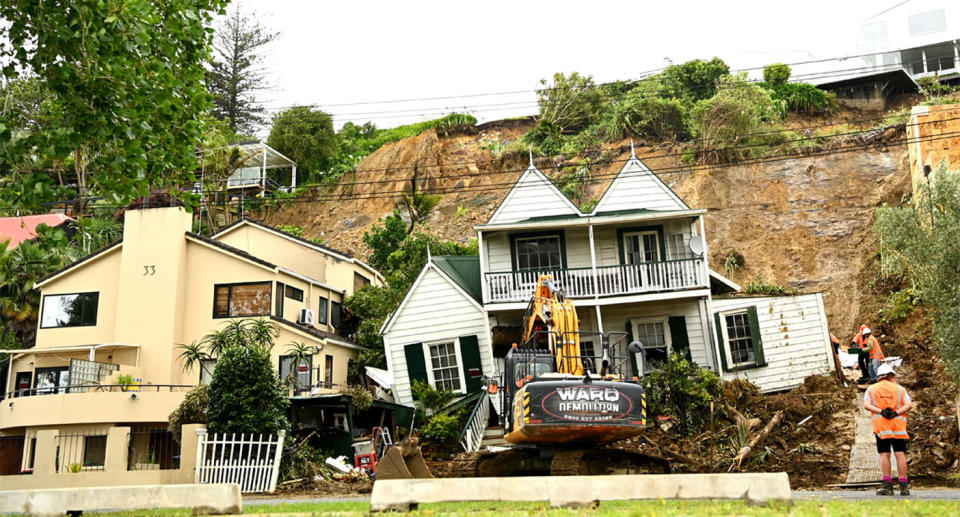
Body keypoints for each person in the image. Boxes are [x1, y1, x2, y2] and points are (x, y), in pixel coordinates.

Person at [863, 364, 913, 496]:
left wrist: (881, 411)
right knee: (900, 454)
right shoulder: (900, 389)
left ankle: (887, 486)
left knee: (884, 454)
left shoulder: (871, 389)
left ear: (880, 376)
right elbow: (909, 405)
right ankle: (904, 486)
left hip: (882, 427)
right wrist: (896, 413)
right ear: (891, 376)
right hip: (898, 426)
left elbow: (866, 405)